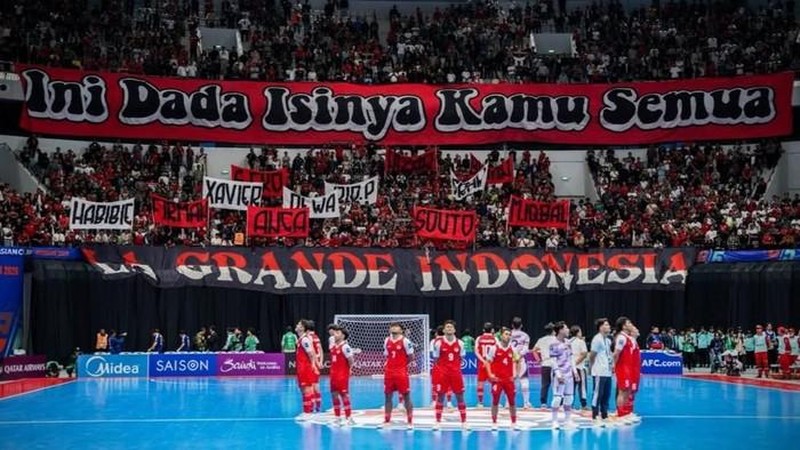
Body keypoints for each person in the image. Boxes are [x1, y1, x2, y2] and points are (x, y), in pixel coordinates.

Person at [431, 320, 468, 430]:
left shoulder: (460, 343)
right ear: (444, 330)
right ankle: (437, 421)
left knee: (460, 397)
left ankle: (464, 421)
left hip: (456, 374)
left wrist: (454, 367)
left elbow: (461, 358)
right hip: (443, 374)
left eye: (451, 327)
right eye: (447, 327)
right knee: (440, 397)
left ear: (454, 330)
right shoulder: (438, 343)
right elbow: (436, 359)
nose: (449, 328)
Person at [485, 327, 520, 430]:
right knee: (495, 401)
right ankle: (494, 422)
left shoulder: (513, 349)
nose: (508, 336)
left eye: (509, 334)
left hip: (509, 380)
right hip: (498, 380)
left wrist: (516, 374)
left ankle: (514, 423)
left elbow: (518, 361)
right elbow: (487, 362)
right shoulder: (494, 348)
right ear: (501, 335)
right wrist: (490, 374)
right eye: (506, 334)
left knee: (512, 402)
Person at [383, 323, 414, 429]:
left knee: (406, 396)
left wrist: (402, 365)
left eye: (396, 327)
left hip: (401, 373)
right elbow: (387, 355)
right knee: (388, 396)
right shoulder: (387, 340)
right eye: (392, 327)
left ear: (401, 331)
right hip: (389, 373)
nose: (393, 328)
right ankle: (387, 421)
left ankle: (410, 422)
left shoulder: (406, 341)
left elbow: (411, 356)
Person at [549, 322, 577, 430]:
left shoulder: (568, 342)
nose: (568, 330)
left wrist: (574, 371)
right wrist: (558, 374)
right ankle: (554, 421)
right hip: (559, 375)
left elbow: (571, 357)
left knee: (569, 397)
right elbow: (553, 360)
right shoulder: (553, 344)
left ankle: (567, 420)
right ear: (560, 330)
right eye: (566, 328)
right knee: (557, 398)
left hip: (569, 374)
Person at [589, 318, 613, 427]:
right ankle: (595, 415)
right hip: (599, 371)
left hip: (607, 371)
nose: (609, 326)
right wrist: (592, 368)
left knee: (606, 394)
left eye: (608, 325)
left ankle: (604, 415)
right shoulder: (597, 339)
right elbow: (592, 355)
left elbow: (609, 355)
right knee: (598, 394)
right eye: (606, 325)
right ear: (600, 327)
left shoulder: (608, 340)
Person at [329, 325, 355, 426]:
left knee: (344, 395)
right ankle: (337, 417)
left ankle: (349, 418)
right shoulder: (334, 346)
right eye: (334, 333)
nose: (335, 335)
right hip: (333, 375)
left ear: (343, 336)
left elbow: (351, 360)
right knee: (334, 395)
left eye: (337, 333)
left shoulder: (345, 347)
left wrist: (348, 370)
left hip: (342, 376)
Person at [613, 316, 637, 424]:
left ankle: (626, 412)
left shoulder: (629, 337)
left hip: (629, 367)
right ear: (623, 326)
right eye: (629, 322)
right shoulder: (621, 338)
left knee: (628, 391)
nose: (631, 324)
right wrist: (613, 366)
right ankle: (620, 414)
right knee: (622, 391)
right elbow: (616, 354)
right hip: (622, 367)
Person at [295, 319, 320, 420]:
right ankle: (307, 410)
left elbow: (311, 353)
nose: (296, 325)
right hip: (301, 367)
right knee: (303, 389)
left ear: (303, 328)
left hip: (305, 367)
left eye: (299, 324)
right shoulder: (301, 339)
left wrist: (313, 365)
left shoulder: (305, 340)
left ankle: (308, 413)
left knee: (307, 389)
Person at [510, 317, 533, 409]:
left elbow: (507, 347)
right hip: (521, 359)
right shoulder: (525, 335)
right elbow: (526, 349)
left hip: (510, 360)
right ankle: (526, 403)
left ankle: (508, 403)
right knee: (524, 379)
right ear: (521, 325)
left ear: (512, 325)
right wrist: (519, 355)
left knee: (510, 381)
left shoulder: (508, 334)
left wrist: (513, 355)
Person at [533, 322, 556, 409]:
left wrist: (538, 360)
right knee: (556, 384)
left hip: (545, 364)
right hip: (555, 364)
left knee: (545, 384)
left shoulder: (541, 340)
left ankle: (543, 403)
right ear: (554, 331)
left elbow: (534, 350)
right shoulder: (557, 339)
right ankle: (557, 402)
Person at [475, 322, 497, 408]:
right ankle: (495, 402)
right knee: (494, 382)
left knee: (480, 382)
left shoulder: (479, 338)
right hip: (492, 363)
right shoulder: (495, 339)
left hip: (482, 363)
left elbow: (476, 351)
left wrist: (483, 361)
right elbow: (497, 351)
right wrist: (489, 361)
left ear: (483, 330)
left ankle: (480, 403)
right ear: (492, 330)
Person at [569, 325, 588, 410]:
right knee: (582, 386)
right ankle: (583, 405)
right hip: (579, 367)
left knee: (570, 386)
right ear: (577, 332)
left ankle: (569, 404)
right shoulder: (581, 342)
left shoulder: (568, 342)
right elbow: (584, 354)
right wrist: (576, 363)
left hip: (569, 368)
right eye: (580, 331)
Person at [307, 321, 324, 413]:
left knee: (312, 386)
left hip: (311, 363)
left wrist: (315, 363)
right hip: (315, 363)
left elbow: (312, 352)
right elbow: (321, 350)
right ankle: (317, 406)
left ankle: (313, 407)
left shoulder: (309, 337)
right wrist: (320, 362)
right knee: (315, 385)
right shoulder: (316, 337)